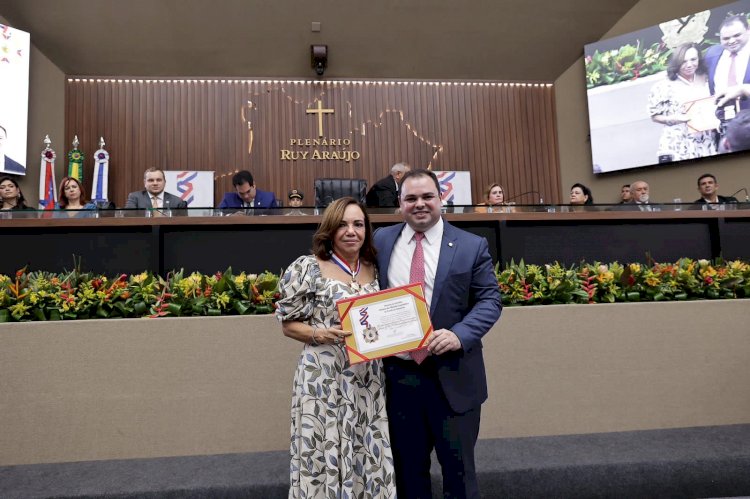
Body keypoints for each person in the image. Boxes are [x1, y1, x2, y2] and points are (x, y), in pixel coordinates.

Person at [373, 169, 502, 498]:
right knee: (408, 473)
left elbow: (490, 300)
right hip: (400, 379)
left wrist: (460, 334)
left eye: (427, 196)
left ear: (441, 198)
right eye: (411, 198)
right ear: (399, 203)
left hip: (454, 378)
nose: (420, 204)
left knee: (459, 474)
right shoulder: (380, 241)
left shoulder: (471, 246)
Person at [275, 197, 396, 498]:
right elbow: (287, 324)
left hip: (367, 379)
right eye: (342, 224)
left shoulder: (376, 268)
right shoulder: (309, 267)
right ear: (330, 229)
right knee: (322, 449)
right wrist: (319, 333)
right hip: (323, 378)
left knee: (367, 448)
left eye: (358, 224)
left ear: (367, 230)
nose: (351, 231)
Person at [648, 42, 717, 162]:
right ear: (677, 62)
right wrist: (675, 118)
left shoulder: (706, 77)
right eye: (684, 61)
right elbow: (654, 116)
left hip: (706, 139)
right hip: (678, 142)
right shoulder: (663, 85)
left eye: (693, 59)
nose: (689, 65)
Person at [705, 14, 750, 104]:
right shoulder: (712, 53)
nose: (732, 41)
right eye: (726, 38)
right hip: (721, 114)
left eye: (737, 35)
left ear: (748, 31)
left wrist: (744, 89)